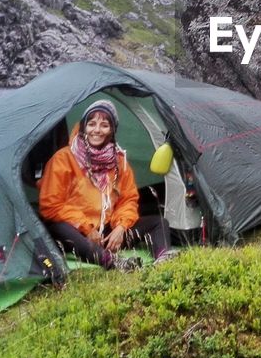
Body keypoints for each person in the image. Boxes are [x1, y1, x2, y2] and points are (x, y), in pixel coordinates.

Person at [38, 99, 175, 271]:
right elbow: (51, 206)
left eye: (104, 125)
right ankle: (113, 262)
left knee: (159, 222)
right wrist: (86, 229)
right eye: (92, 124)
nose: (97, 130)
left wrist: (121, 227)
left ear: (112, 130)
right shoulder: (63, 159)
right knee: (58, 228)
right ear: (83, 127)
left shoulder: (119, 161)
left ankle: (163, 259)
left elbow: (129, 199)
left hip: (107, 230)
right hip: (79, 231)